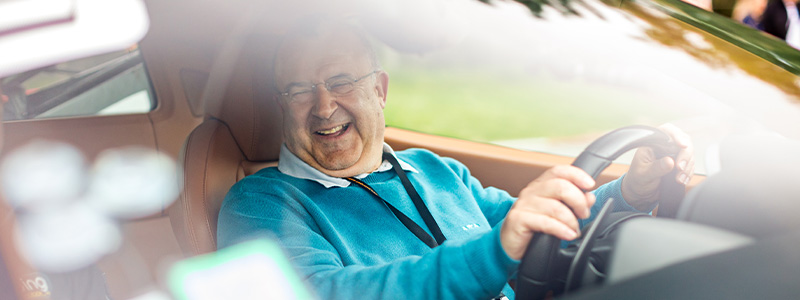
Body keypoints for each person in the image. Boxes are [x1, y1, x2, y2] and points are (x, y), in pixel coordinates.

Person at [216, 18, 694, 300]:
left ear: (379, 92)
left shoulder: (435, 170)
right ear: (282, 105)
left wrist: (630, 191)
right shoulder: (261, 202)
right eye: (299, 90)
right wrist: (491, 254)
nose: (322, 106)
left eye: (340, 81)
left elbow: (534, 227)